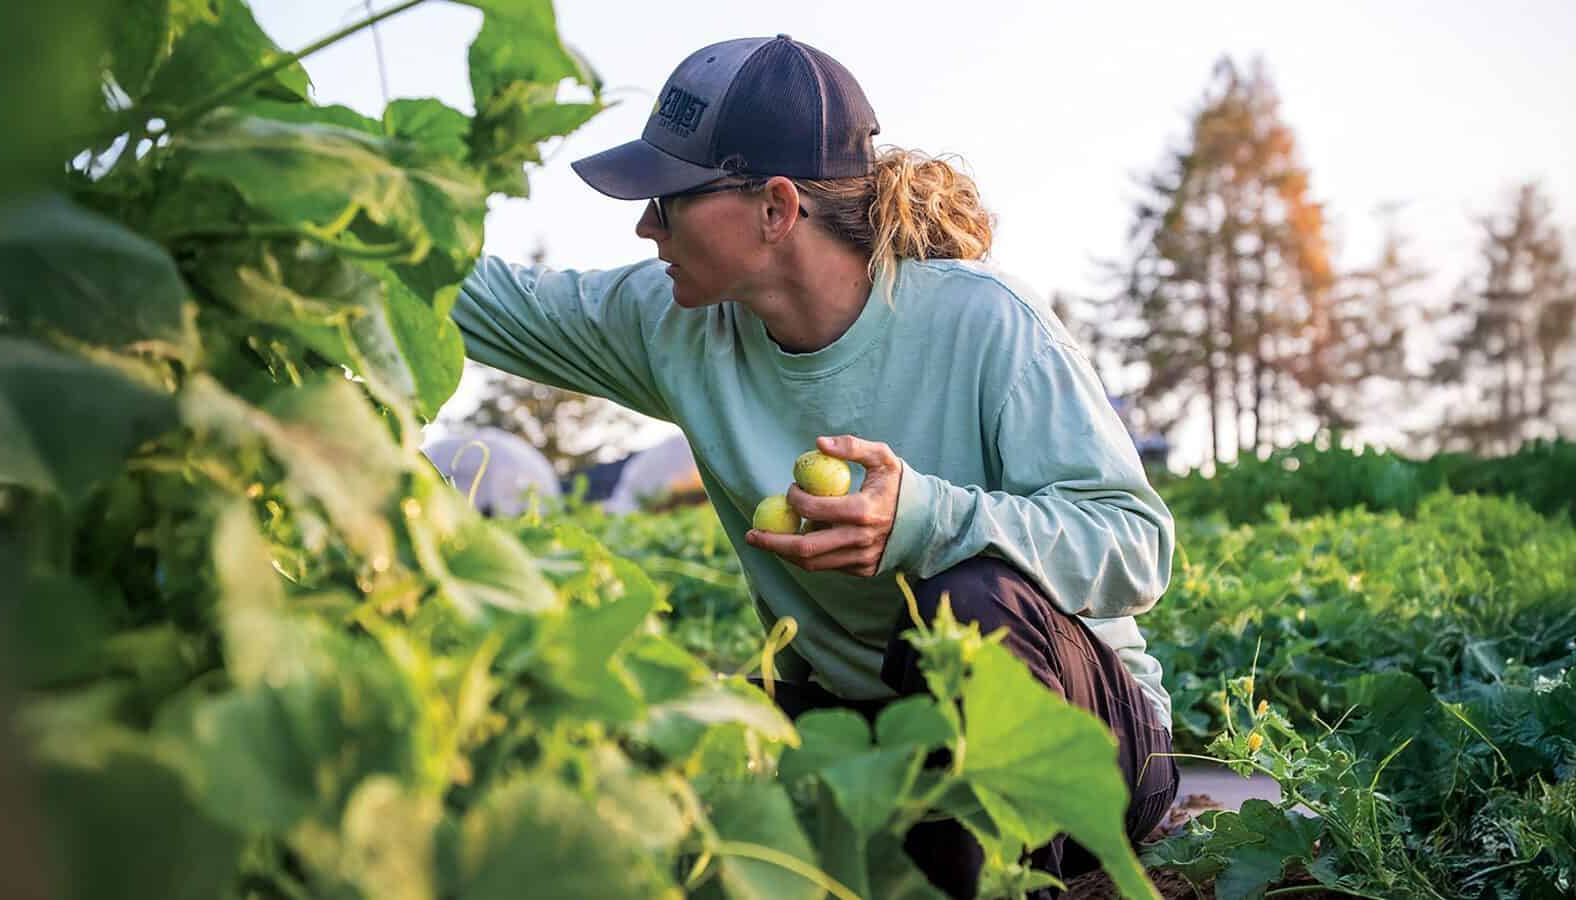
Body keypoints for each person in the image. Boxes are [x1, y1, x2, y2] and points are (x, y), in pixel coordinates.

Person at [450, 33, 1179, 897]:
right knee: (659, 734)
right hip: (869, 733)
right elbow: (474, 295)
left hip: (1086, 744)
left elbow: (1136, 546)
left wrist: (924, 520)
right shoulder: (677, 323)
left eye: (669, 199)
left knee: (967, 603)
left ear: (777, 207)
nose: (645, 225)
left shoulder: (986, 324)